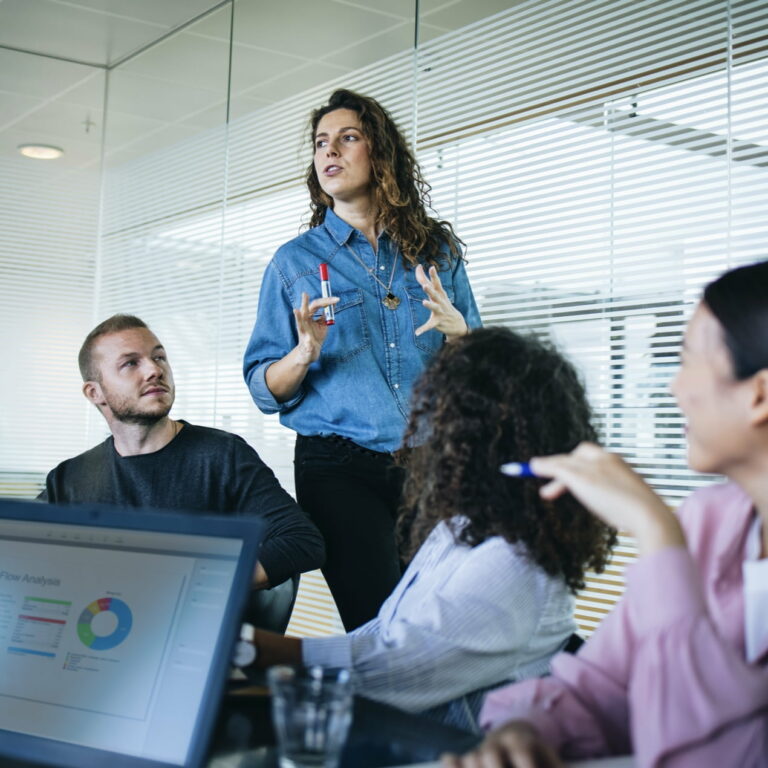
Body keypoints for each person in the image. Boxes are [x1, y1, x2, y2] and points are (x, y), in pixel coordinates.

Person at [444, 261, 768, 768]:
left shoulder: (674, 533)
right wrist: (531, 730)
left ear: (759, 394)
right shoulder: (708, 520)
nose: (673, 389)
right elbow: (603, 686)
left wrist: (657, 535)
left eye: (686, 362)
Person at [237, 327, 616, 731]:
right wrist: (249, 647)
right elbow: (380, 636)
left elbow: (384, 673)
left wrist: (247, 647)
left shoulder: (515, 563)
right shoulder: (462, 527)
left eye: (440, 416)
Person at [243, 88, 482, 631]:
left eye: (347, 138)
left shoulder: (437, 254)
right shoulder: (295, 263)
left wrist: (462, 335)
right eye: (321, 142)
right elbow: (262, 386)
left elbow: (480, 377)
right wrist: (303, 354)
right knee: (379, 626)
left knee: (440, 621)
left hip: (429, 468)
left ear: (380, 153)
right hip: (338, 469)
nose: (330, 151)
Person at [40, 314, 325, 591]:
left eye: (159, 357)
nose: (154, 370)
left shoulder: (221, 455)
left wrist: (195, 586)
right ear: (94, 393)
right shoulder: (69, 478)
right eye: (130, 363)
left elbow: (301, 540)